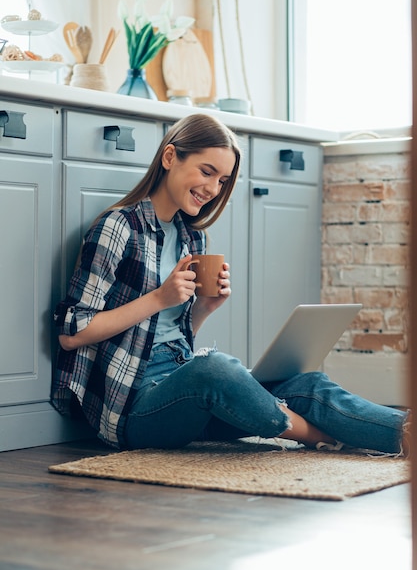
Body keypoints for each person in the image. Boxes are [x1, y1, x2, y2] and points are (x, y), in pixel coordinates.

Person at [52, 113, 409, 456]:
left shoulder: (193, 238)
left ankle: (405, 435)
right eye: (207, 172)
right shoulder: (119, 227)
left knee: (307, 384)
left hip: (188, 388)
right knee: (216, 369)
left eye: (222, 180)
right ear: (170, 156)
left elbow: (169, 335)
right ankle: (319, 436)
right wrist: (160, 298)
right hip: (132, 408)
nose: (212, 189)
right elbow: (73, 331)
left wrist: (205, 309)